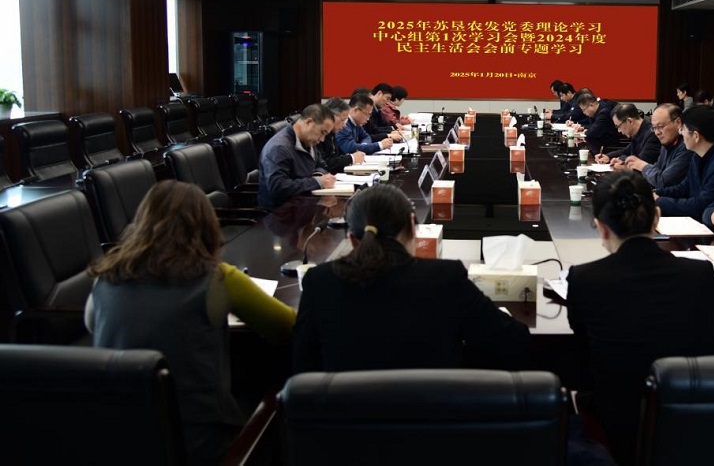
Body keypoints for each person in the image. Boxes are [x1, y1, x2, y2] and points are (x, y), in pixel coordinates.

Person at [86, 181, 296, 465]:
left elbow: (93, 325)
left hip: (119, 441)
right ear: (206, 226)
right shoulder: (218, 278)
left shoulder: (104, 278)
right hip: (202, 445)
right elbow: (289, 329)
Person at [567, 172, 714, 465]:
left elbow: (585, 357)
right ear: (656, 218)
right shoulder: (700, 274)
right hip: (695, 426)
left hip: (618, 428)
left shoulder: (584, 280)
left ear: (600, 227)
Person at [293, 184, 532, 373]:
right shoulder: (446, 278)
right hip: (434, 417)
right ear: (411, 226)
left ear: (353, 240)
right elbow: (513, 342)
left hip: (345, 419)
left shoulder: (318, 282)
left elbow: (302, 367)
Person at [655, 105, 714, 218]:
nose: (681, 133)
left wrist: (659, 201)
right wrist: (656, 193)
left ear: (696, 136)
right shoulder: (697, 155)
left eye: (683, 129)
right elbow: (684, 187)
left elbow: (701, 206)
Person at [258, 102, 338, 210]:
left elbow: (320, 165)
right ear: (308, 122)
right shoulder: (279, 148)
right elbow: (278, 187)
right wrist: (317, 182)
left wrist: (320, 175)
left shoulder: (308, 141)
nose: (322, 139)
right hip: (281, 212)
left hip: (303, 203)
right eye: (322, 132)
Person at [623, 103, 693, 190]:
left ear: (678, 122)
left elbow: (664, 181)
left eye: (660, 126)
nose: (657, 133)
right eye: (654, 128)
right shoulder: (667, 142)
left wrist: (642, 166)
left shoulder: (687, 146)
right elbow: (657, 168)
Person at [594, 102, 660, 167]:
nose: (619, 131)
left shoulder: (652, 135)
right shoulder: (639, 131)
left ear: (629, 121)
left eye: (618, 126)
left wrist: (622, 159)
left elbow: (641, 162)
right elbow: (626, 151)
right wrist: (608, 156)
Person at [316, 97, 365, 174]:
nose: (344, 125)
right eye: (343, 120)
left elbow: (336, 156)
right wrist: (351, 158)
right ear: (330, 116)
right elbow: (324, 164)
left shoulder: (332, 134)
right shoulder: (318, 135)